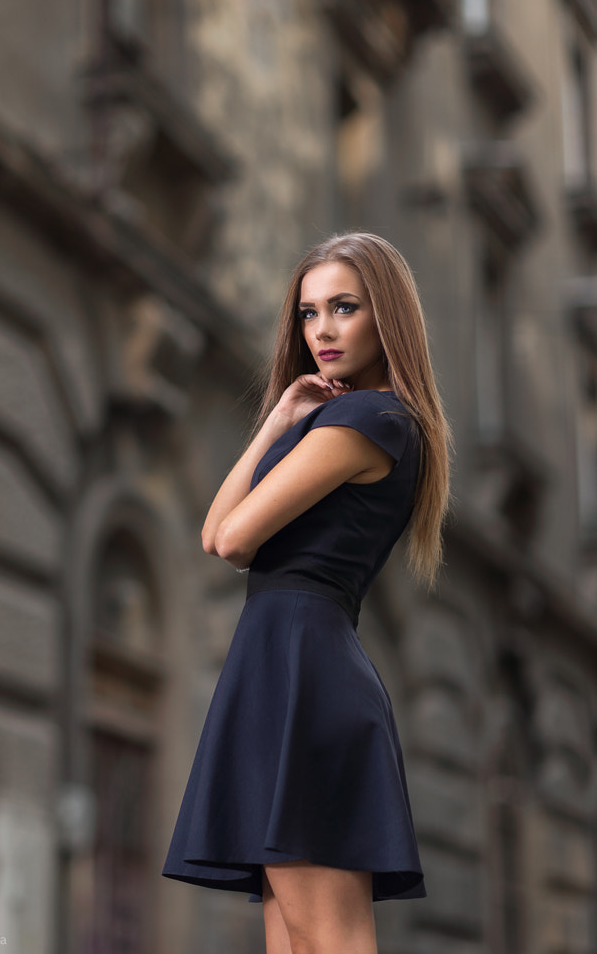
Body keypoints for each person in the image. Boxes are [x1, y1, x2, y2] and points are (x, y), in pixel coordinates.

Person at [162, 232, 451, 954]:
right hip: (288, 667)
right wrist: (279, 420)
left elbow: (234, 541)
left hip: (301, 673)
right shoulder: (348, 420)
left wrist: (293, 428)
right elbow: (211, 535)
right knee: (294, 943)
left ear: (385, 317)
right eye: (307, 312)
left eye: (343, 307)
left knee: (327, 942)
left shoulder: (368, 419)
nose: (320, 330)